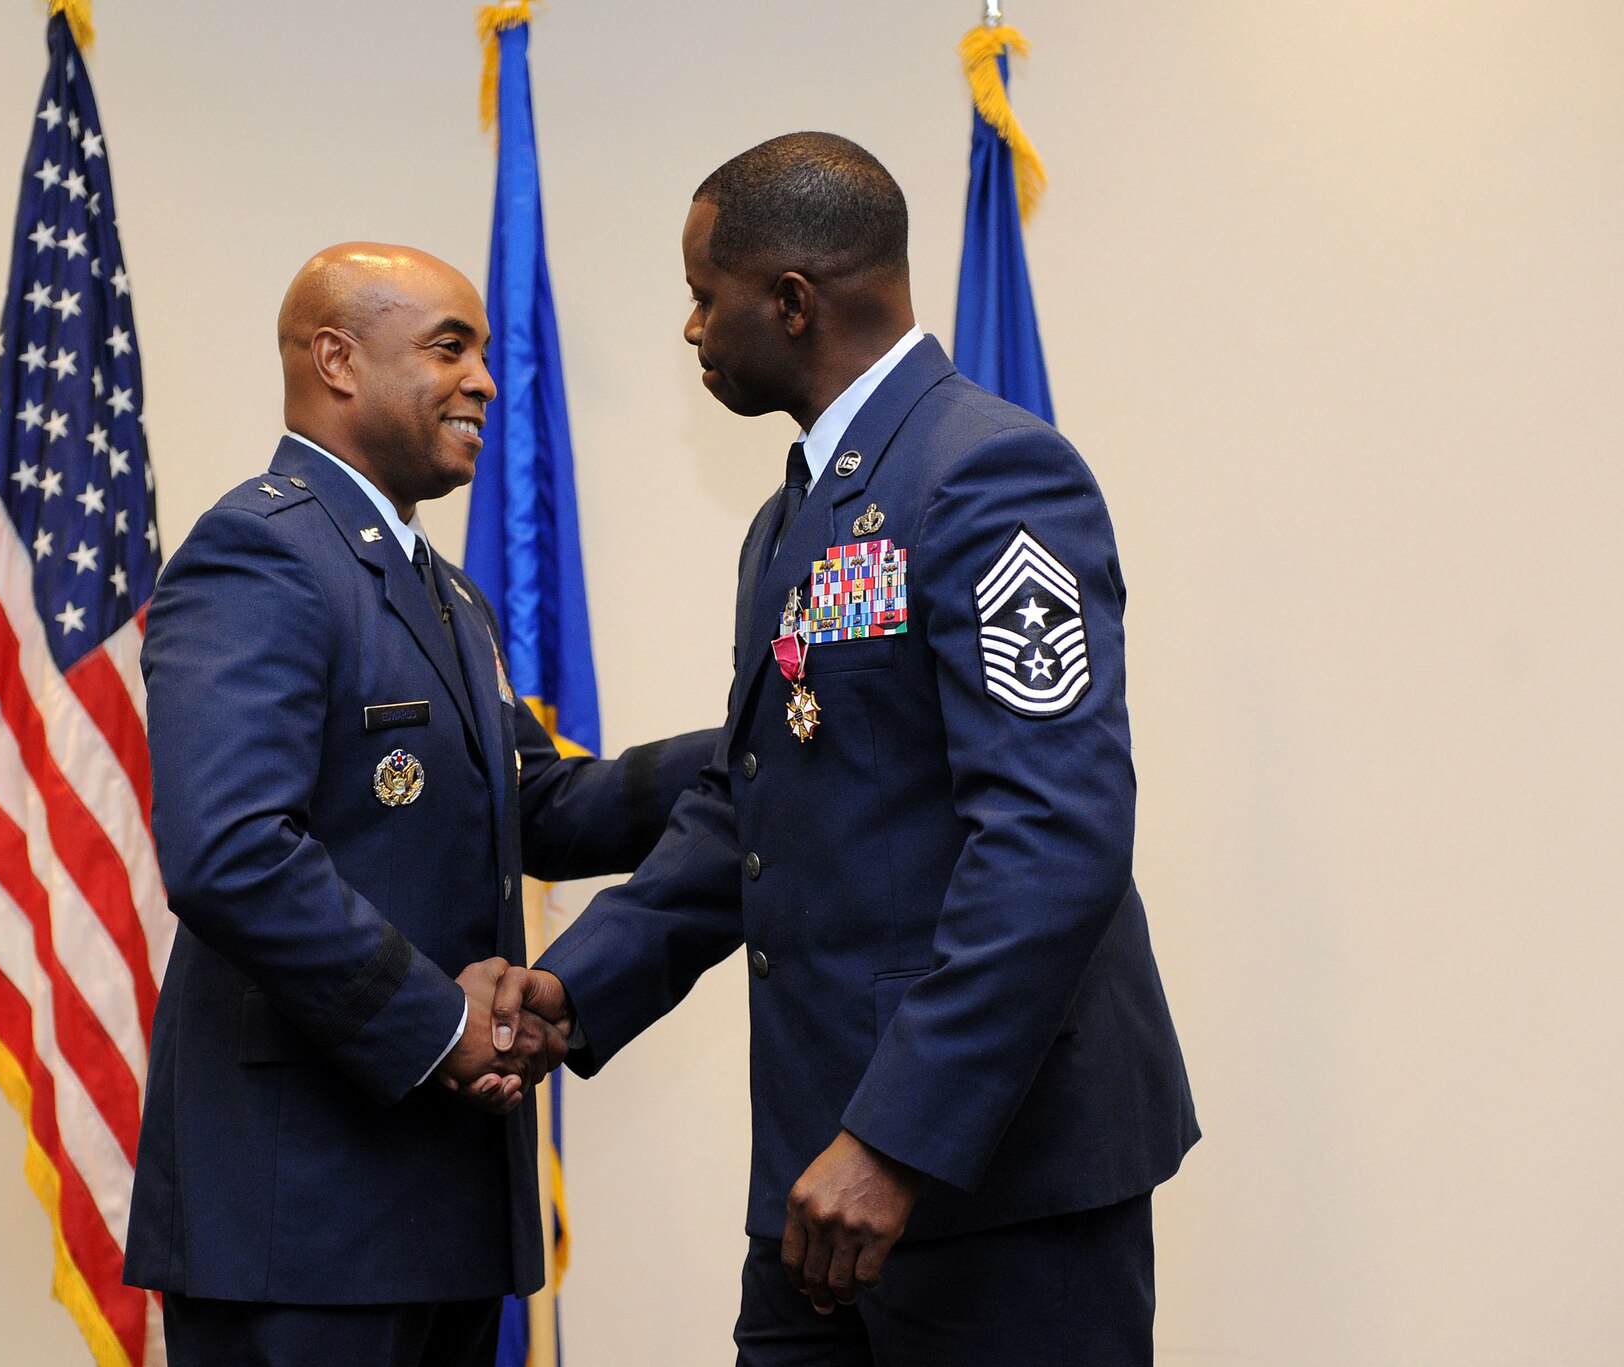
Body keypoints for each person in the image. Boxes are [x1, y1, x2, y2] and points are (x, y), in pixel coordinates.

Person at [530, 134, 1199, 1364]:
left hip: (990, 1176)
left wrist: (895, 1137)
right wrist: (570, 991)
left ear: (788, 301)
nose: (689, 330)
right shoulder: (791, 516)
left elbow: (1056, 836)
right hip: (816, 1170)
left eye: (700, 295)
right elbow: (757, 801)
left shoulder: (989, 473)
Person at [123, 242, 715, 1367]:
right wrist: (439, 1023)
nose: (486, 379)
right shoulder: (262, 551)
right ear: (337, 359)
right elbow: (229, 850)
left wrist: (740, 758)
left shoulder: (441, 591)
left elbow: (537, 804)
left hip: (434, 1210)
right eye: (451, 347)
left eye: (483, 351)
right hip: (299, 1216)